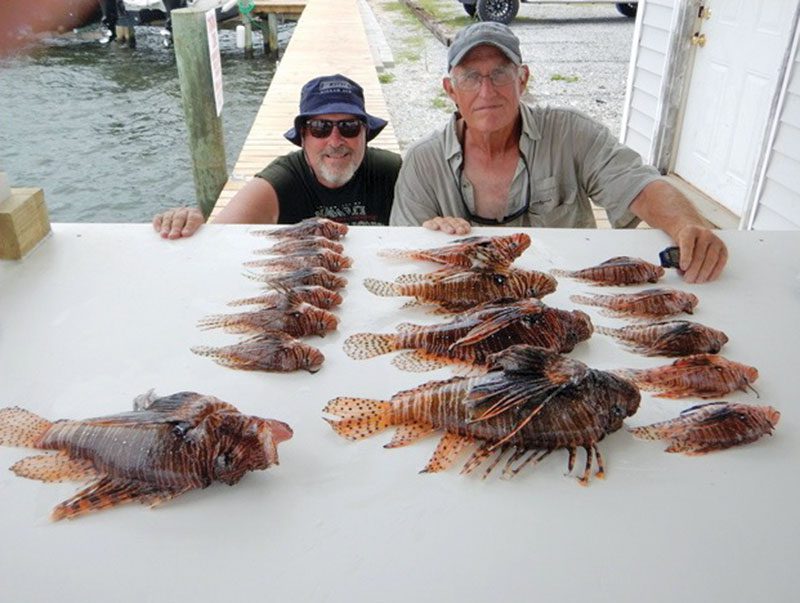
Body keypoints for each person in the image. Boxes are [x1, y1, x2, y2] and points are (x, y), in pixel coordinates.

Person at [389, 22, 727, 284]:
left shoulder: (572, 133)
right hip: (466, 296)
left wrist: (687, 226)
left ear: (523, 79)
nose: (486, 91)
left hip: (567, 289)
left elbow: (640, 185)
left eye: (500, 74)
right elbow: (405, 257)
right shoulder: (423, 161)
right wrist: (430, 237)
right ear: (450, 90)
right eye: (471, 77)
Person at [153, 74, 402, 238]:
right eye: (320, 128)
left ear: (365, 134)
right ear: (303, 136)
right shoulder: (279, 182)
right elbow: (220, 238)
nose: (335, 141)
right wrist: (191, 225)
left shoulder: (394, 172)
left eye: (349, 127)